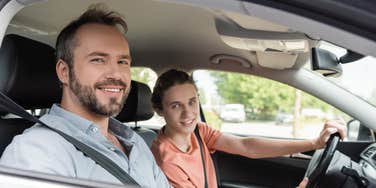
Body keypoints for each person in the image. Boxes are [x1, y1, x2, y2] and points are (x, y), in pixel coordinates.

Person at [0, 4, 170, 187]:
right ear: (64, 72)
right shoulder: (38, 150)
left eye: (122, 61)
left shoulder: (134, 141)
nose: (116, 73)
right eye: (98, 60)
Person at [150, 69, 347, 188]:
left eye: (192, 102)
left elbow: (246, 146)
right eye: (176, 106)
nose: (188, 114)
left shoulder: (199, 132)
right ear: (160, 110)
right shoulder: (166, 160)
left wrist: (313, 143)